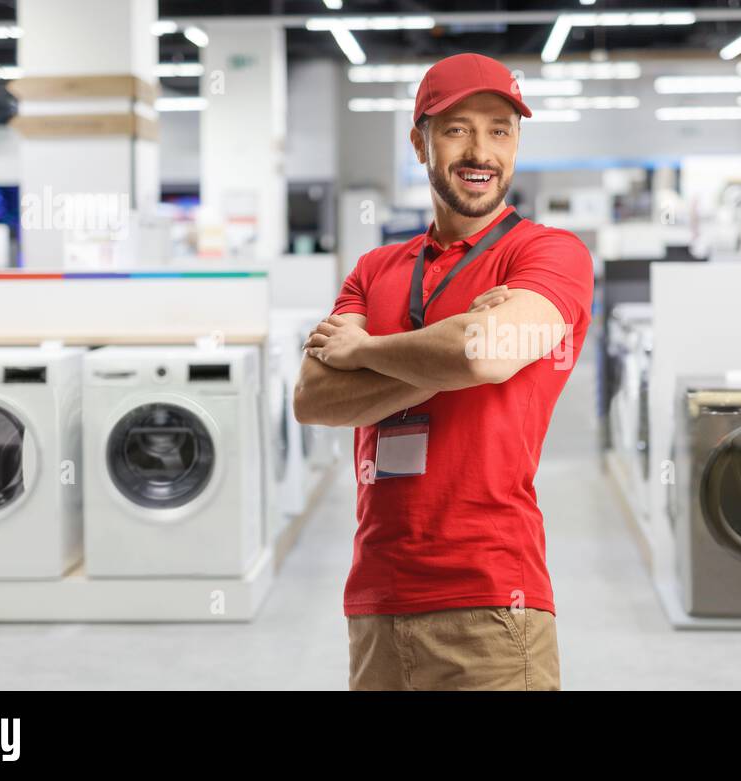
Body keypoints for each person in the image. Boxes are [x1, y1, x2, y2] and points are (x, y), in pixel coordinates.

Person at [294, 53, 594, 691]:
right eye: (457, 128)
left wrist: (365, 350)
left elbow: (484, 352)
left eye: (500, 129)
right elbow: (314, 398)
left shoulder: (548, 254)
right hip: (376, 597)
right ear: (419, 140)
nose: (481, 149)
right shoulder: (375, 269)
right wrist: (452, 353)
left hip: (492, 599)